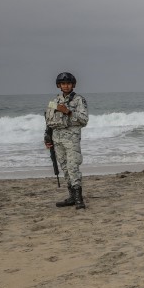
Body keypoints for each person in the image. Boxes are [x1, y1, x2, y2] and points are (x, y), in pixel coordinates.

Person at [43, 72, 89, 209]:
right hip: (57, 138)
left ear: (73, 85)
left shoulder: (79, 100)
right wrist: (47, 136)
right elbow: (49, 121)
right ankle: (71, 197)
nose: (66, 86)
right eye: (63, 83)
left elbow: (84, 120)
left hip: (71, 138)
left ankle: (79, 198)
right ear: (59, 85)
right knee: (64, 167)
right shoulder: (54, 102)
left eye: (68, 83)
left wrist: (68, 112)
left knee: (73, 167)